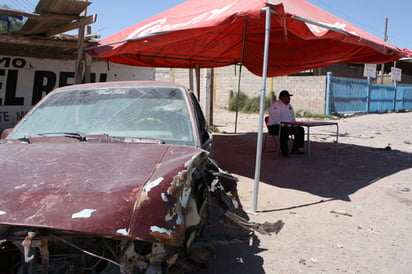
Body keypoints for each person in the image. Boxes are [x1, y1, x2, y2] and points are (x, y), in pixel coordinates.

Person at [267, 90, 305, 157]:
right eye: (288, 97)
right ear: (282, 98)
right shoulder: (275, 105)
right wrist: (285, 125)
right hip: (275, 126)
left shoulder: (289, 106)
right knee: (284, 131)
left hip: (287, 125)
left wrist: (295, 125)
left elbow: (293, 118)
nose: (289, 99)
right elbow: (276, 119)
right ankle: (285, 151)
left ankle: (295, 149)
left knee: (300, 129)